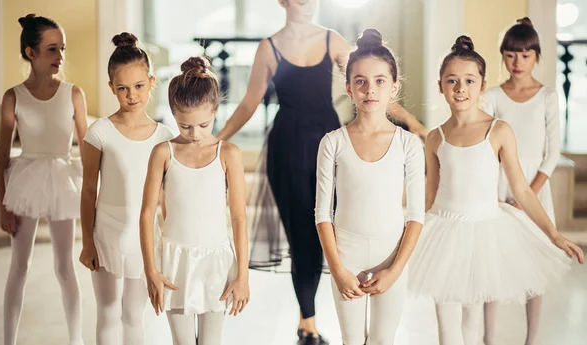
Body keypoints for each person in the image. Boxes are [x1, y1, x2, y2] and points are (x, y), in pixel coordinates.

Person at [215, 1, 427, 342]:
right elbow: (249, 102)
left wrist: (412, 122)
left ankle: (315, 316)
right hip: (286, 148)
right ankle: (308, 322)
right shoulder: (268, 47)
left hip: (324, 137)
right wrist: (217, 140)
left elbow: (372, 81)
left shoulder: (333, 41)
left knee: (332, 227)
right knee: (302, 236)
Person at [408, 35, 584, 345]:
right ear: (441, 86)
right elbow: (429, 195)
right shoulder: (435, 137)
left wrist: (553, 235)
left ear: (482, 85)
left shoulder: (498, 130)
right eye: (452, 81)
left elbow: (522, 190)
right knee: (446, 327)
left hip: (484, 232)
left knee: (473, 322)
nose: (461, 88)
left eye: (469, 80)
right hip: (443, 234)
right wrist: (405, 233)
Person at [315, 29, 425, 345]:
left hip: (391, 257)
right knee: (351, 340)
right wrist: (337, 269)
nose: (370, 89)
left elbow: (416, 216)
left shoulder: (408, 145)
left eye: (379, 81)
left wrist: (395, 269)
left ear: (394, 87)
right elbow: (323, 213)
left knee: (381, 341)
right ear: (349, 88)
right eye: (360, 81)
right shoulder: (333, 143)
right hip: (345, 256)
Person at [0, 14, 87, 345]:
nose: (60, 56)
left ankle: (76, 340)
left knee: (64, 267)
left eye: (63, 49)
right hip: (26, 180)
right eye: (52, 49)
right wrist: (4, 205)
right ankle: (8, 341)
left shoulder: (74, 94)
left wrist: (92, 196)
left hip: (62, 178)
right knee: (19, 267)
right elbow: (3, 155)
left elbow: (87, 152)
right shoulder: (14, 96)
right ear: (31, 53)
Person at [140, 56, 250, 345]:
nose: (195, 134)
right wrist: (151, 269)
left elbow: (239, 218)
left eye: (204, 124)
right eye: (185, 126)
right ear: (173, 115)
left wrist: (243, 276)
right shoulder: (163, 153)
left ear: (215, 110)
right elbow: (147, 214)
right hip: (174, 263)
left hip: (217, 260)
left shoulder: (228, 154)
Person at [79, 32, 174, 345]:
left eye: (138, 87)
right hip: (106, 232)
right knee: (107, 310)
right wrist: (88, 243)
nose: (132, 96)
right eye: (122, 89)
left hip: (144, 238)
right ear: (111, 88)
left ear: (151, 82)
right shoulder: (100, 132)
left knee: (134, 314)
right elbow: (89, 189)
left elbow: (166, 197)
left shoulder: (164, 136)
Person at [481, 17, 562, 345]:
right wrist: (497, 193)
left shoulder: (547, 96)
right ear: (503, 55)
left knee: (535, 273)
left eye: (525, 55)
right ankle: (489, 338)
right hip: (497, 188)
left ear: (536, 57)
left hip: (535, 190)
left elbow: (552, 153)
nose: (517, 62)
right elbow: (484, 145)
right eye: (511, 54)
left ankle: (532, 340)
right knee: (493, 266)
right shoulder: (493, 95)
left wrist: (529, 193)